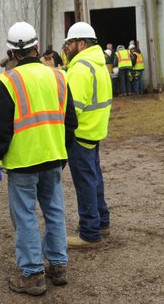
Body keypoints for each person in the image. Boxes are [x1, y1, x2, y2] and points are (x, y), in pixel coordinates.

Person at [0, 21, 78, 296]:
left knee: (25, 216)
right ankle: (58, 266)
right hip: (53, 157)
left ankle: (32, 273)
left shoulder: (7, 82)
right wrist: (63, 152)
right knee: (54, 210)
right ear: (37, 48)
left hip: (22, 162)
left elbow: (0, 130)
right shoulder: (59, 76)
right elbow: (70, 122)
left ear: (12, 53)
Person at [62, 22, 113, 249]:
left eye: (69, 43)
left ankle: (90, 234)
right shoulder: (98, 63)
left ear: (81, 43)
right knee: (94, 179)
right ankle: (102, 223)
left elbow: (73, 108)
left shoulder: (81, 67)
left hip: (80, 133)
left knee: (85, 183)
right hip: (94, 130)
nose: (67, 47)